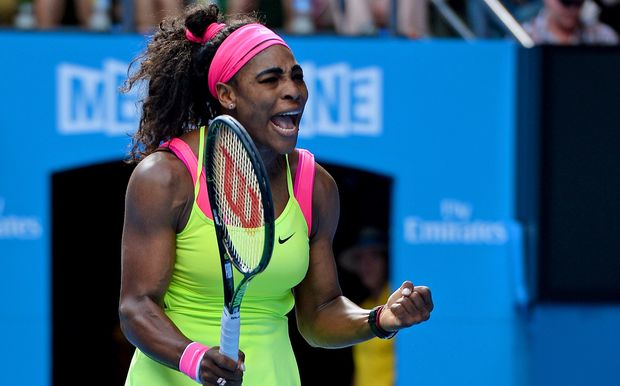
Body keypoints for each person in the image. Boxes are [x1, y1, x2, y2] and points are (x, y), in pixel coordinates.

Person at [119, 4, 434, 386]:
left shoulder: (315, 187)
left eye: (296, 77)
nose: (292, 92)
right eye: (270, 79)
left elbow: (320, 313)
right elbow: (137, 306)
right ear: (227, 94)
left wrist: (380, 319)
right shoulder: (167, 177)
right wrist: (195, 358)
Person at [338, 227, 394, 386]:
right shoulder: (363, 307)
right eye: (361, 258)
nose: (366, 264)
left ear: (386, 260)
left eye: (374, 256)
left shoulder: (399, 303)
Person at [523, 0, 619, 44]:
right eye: (566, 2)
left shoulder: (603, 36)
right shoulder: (524, 36)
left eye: (577, 2)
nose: (571, 8)